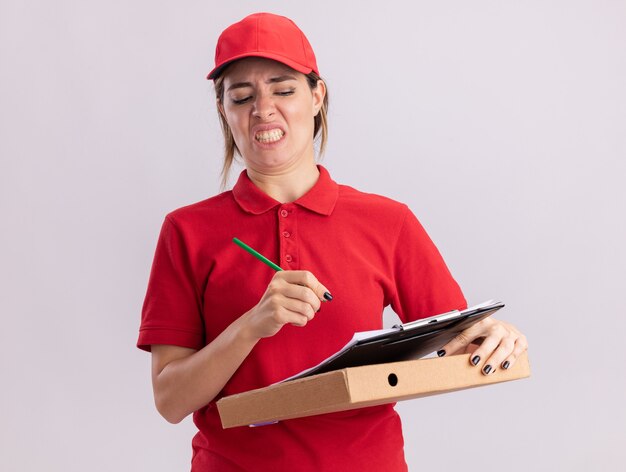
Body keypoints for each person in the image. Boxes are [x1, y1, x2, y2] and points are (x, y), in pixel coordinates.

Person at [137, 12, 528, 472]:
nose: (263, 108)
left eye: (283, 90)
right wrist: (252, 325)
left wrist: (496, 339)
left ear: (317, 95)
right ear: (223, 110)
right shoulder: (187, 230)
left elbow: (458, 344)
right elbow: (169, 400)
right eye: (242, 96)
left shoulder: (388, 221)